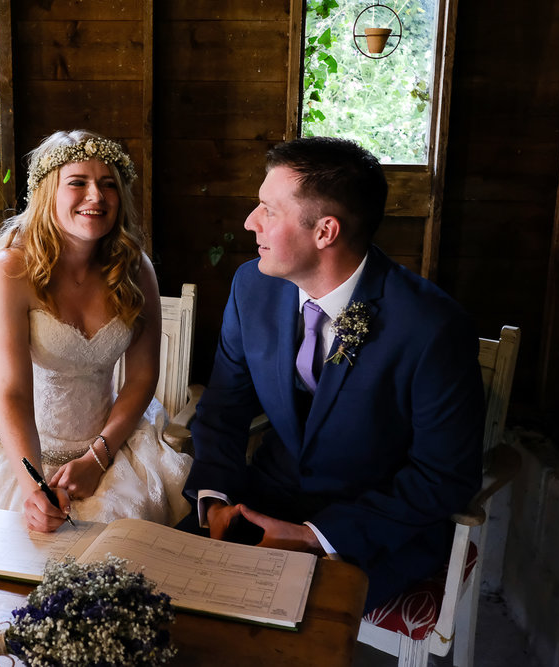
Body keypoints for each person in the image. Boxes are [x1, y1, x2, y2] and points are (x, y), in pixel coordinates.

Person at [181, 136, 484, 611]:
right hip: (263, 500)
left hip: (373, 528)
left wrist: (314, 537)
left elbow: (444, 476)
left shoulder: (432, 328)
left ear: (325, 232)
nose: (250, 222)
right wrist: (216, 500)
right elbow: (224, 406)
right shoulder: (252, 287)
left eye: (268, 210)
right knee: (167, 594)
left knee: (276, 621)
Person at [0, 129, 192, 532]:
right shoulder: (11, 270)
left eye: (108, 184)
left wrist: (98, 457)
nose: (96, 196)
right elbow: (11, 390)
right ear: (47, 193)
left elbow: (143, 376)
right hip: (21, 448)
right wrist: (34, 488)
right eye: (78, 182)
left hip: (110, 442)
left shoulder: (134, 268)